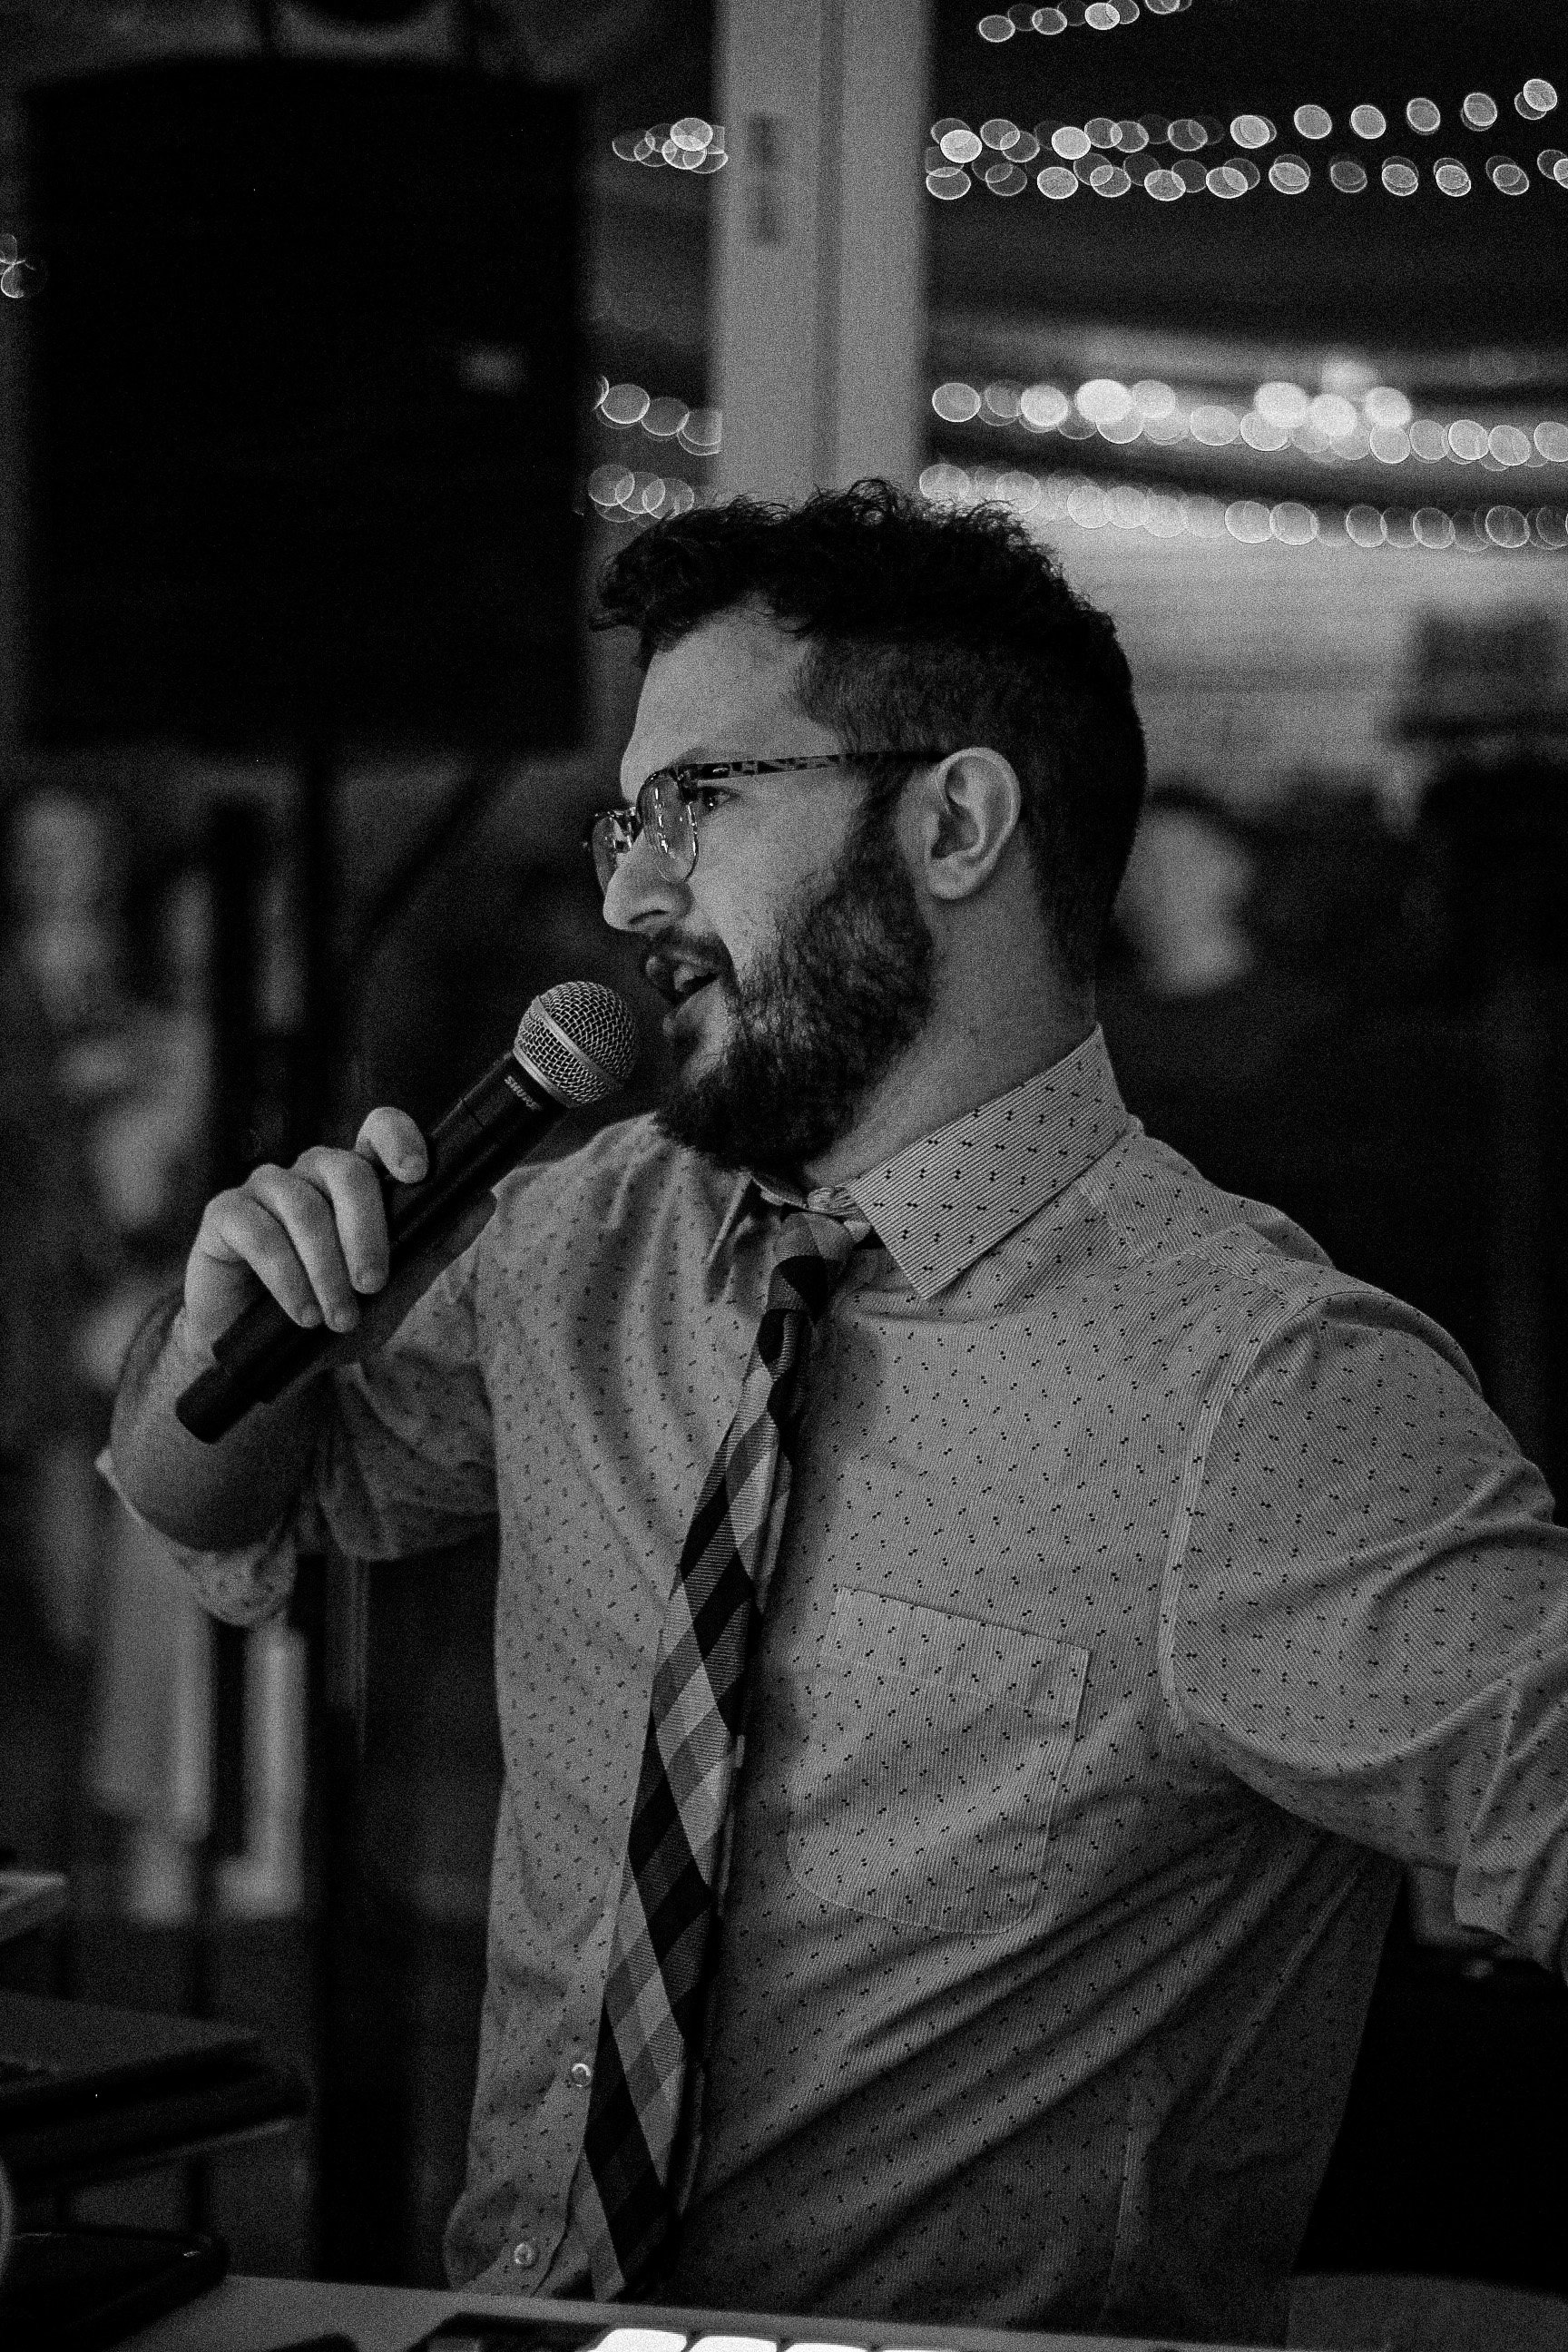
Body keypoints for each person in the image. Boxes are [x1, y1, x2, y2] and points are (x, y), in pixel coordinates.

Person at [108, 482, 1568, 2347]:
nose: (630, 894)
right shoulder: (587, 1232)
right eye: (629, 819)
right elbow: (215, 1499)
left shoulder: (1261, 1395)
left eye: (702, 801)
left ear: (952, 820)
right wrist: (226, 1331)